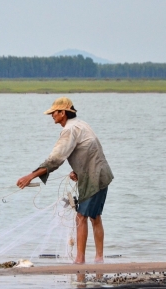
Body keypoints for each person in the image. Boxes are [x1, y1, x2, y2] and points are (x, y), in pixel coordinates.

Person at [16, 97, 113, 264]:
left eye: (54, 112)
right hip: (99, 174)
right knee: (94, 216)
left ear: (63, 113)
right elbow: (87, 152)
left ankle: (80, 259)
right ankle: (98, 259)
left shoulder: (70, 130)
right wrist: (77, 172)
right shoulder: (81, 124)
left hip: (94, 176)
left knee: (81, 216)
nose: (52, 115)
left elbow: (56, 159)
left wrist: (30, 176)